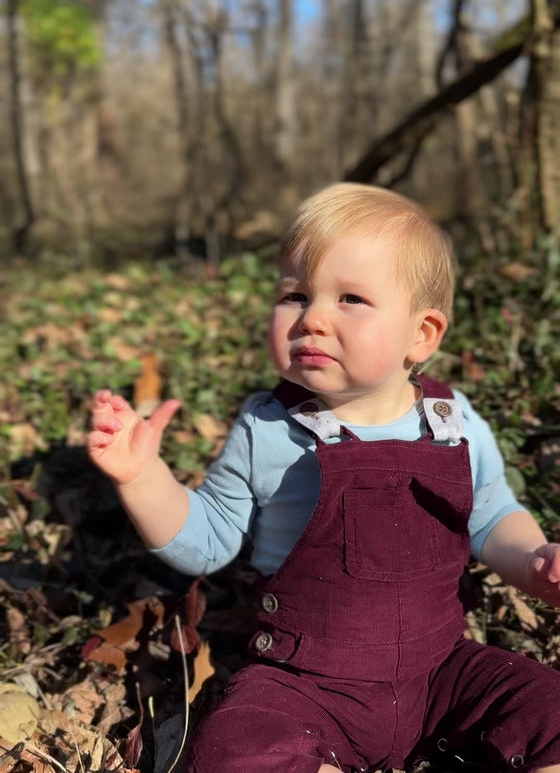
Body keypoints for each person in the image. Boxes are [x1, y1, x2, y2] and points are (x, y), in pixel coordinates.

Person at [88, 183, 560, 773]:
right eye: (295, 294)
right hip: (304, 684)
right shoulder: (267, 429)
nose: (311, 317)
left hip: (441, 669)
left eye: (351, 299)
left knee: (547, 706)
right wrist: (142, 479)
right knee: (233, 746)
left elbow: (491, 517)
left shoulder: (452, 425)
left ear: (422, 334)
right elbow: (208, 540)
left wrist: (536, 559)